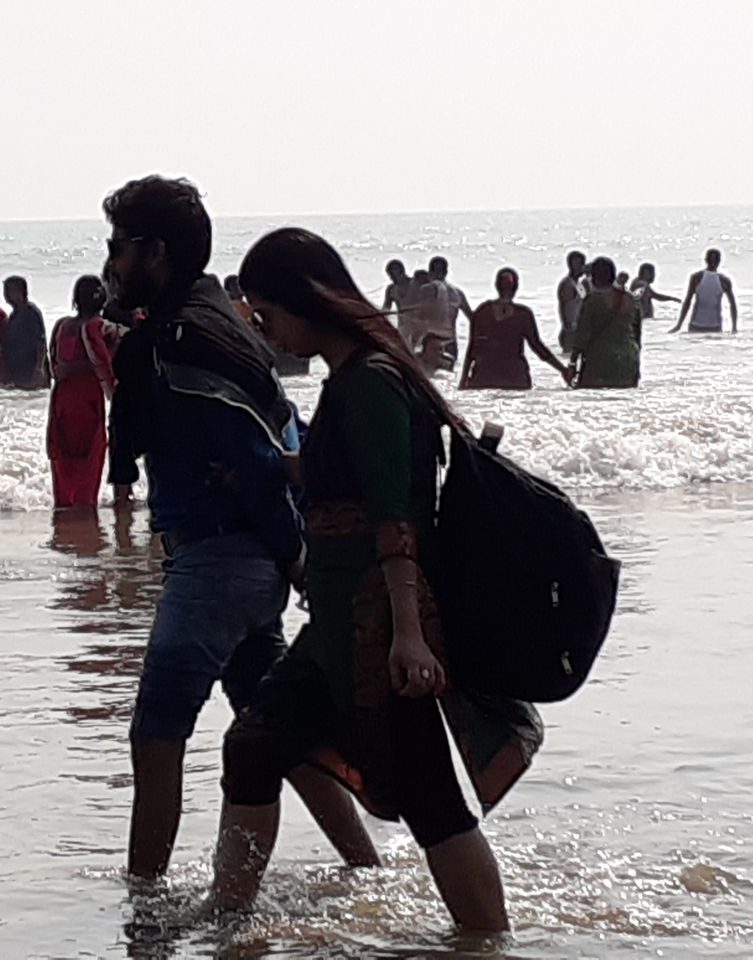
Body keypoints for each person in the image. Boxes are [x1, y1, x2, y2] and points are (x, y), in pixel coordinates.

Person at [206, 227, 539, 932]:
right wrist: (266, 469)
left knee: (429, 797)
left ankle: (487, 940)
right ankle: (226, 916)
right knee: (255, 743)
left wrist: (410, 638)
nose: (267, 331)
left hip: (377, 628)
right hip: (334, 622)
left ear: (305, 301)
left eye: (267, 314)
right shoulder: (353, 380)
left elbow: (395, 518)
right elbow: (344, 483)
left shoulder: (372, 384)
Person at [102, 176, 378, 884]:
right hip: (245, 564)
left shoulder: (184, 341)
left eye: (119, 247)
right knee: (280, 733)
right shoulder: (219, 324)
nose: (109, 262)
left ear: (155, 253)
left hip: (218, 564)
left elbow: (256, 461)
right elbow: (285, 428)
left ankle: (144, 900)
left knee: (156, 735)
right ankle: (367, 868)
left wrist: (297, 560)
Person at [48, 275, 116, 509]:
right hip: (88, 400)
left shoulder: (61, 325)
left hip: (63, 400)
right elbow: (105, 363)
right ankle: (85, 507)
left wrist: (67, 370)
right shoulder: (99, 326)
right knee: (90, 455)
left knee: (63, 457)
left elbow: (54, 365)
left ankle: (65, 505)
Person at [459, 268, 571, 389]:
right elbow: (538, 348)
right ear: (516, 288)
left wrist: (463, 381)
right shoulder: (523, 314)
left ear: (496, 285)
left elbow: (472, 349)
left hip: (484, 377)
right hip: (515, 378)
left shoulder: (482, 311)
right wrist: (563, 370)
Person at [572, 256, 642, 389]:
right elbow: (637, 333)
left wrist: (572, 363)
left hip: (600, 358)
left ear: (595, 277)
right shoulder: (630, 298)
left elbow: (582, 336)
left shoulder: (592, 301)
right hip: (628, 357)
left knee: (594, 400)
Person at [671, 248, 738, 334]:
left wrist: (679, 325)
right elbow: (732, 305)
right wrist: (734, 327)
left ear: (705, 260)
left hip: (707, 326)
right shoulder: (722, 280)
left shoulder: (697, 277)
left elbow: (688, 301)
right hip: (707, 326)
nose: (713, 262)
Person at [423, 256, 472, 371]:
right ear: (446, 272)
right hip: (450, 341)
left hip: (431, 341)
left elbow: (418, 316)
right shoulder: (458, 293)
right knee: (447, 378)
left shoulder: (427, 290)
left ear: (430, 272)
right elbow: (472, 318)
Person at [2, 276, 49, 389]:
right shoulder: (14, 314)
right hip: (19, 370)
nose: (6, 295)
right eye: (5, 291)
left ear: (21, 291)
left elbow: (41, 342)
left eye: (9, 290)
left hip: (32, 368)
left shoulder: (30, 312)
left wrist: (39, 368)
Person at [381, 259, 420, 347]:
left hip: (418, 324)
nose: (392, 277)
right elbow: (386, 309)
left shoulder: (416, 283)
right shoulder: (391, 289)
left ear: (402, 271)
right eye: (389, 275)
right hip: (403, 325)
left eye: (393, 273)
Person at [557, 251, 587, 352]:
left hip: (579, 329)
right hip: (570, 329)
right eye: (579, 264)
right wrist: (567, 328)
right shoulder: (567, 284)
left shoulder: (580, 284)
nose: (582, 267)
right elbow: (562, 306)